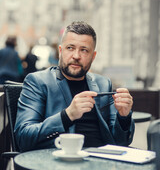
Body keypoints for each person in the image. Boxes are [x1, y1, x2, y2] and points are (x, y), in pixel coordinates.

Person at [14, 21, 135, 152]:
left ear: (93, 56)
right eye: (70, 48)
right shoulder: (37, 81)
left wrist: (123, 117)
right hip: (58, 162)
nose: (76, 56)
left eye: (84, 50)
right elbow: (23, 138)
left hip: (101, 161)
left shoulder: (103, 84)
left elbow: (120, 142)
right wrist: (67, 116)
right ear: (60, 51)